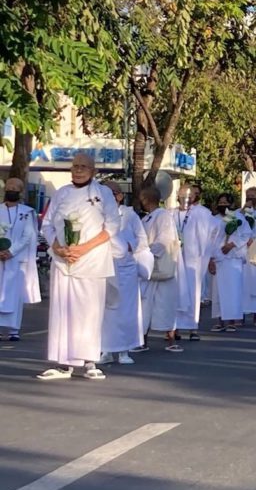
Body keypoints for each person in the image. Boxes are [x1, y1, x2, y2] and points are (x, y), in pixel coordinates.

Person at [37, 153, 120, 381]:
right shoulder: (62, 193)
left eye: (84, 166)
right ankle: (64, 363)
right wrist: (58, 248)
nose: (78, 170)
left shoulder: (103, 194)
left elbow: (112, 225)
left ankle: (89, 361)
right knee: (63, 311)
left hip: (91, 262)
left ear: (93, 171)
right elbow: (47, 224)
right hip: (64, 262)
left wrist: (83, 248)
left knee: (88, 313)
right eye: (75, 166)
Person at [99, 181, 152, 366]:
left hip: (126, 268)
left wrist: (130, 246)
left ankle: (124, 350)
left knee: (127, 310)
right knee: (106, 310)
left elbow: (142, 239)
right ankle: (105, 349)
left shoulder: (129, 215)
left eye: (111, 193)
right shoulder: (97, 214)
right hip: (103, 267)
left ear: (120, 196)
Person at [136, 186, 182, 353]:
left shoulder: (163, 216)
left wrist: (147, 252)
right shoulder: (147, 218)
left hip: (161, 267)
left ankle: (171, 341)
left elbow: (164, 239)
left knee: (166, 304)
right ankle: (142, 341)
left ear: (146, 199)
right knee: (144, 305)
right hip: (149, 269)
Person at [171, 183, 214, 341]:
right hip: (175, 258)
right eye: (182, 195)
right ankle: (173, 327)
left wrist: (206, 257)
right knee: (175, 292)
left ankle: (192, 328)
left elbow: (208, 236)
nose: (185, 198)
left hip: (192, 260)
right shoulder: (170, 213)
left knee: (192, 292)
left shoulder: (202, 213)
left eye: (188, 195)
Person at [0, 178, 41, 342]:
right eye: (9, 187)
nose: (11, 189)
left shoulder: (27, 212)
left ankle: (14, 330)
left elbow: (28, 236)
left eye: (15, 188)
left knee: (15, 295)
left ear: (20, 192)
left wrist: (11, 251)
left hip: (16, 259)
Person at [209, 193, 252, 333]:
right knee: (217, 292)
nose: (222, 205)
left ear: (231, 204)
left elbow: (247, 234)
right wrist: (210, 259)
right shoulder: (212, 220)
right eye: (220, 202)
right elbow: (207, 241)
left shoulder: (238, 218)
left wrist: (232, 244)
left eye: (224, 202)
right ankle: (219, 320)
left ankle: (232, 321)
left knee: (233, 291)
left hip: (233, 259)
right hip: (218, 259)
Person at [241, 187, 256, 327]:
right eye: (248, 196)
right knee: (244, 284)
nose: (250, 198)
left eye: (253, 196)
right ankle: (242, 314)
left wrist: (255, 241)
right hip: (244, 250)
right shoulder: (241, 213)